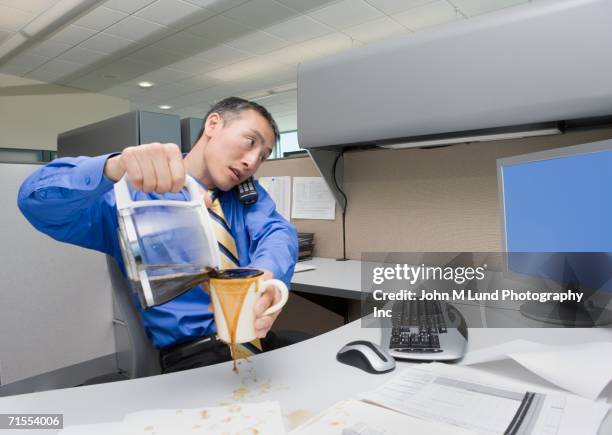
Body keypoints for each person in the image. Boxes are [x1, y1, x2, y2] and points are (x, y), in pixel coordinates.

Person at [18, 97, 299, 372]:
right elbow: (35, 202)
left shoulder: (245, 196)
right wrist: (115, 167)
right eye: (250, 142)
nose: (252, 161)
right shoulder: (130, 194)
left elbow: (278, 232)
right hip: (195, 355)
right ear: (213, 124)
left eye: (262, 156)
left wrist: (267, 272)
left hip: (257, 340)